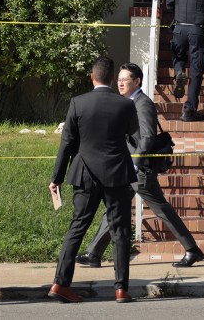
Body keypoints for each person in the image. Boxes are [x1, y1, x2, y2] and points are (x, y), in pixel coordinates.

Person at [76, 63, 204, 269]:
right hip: (127, 168)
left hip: (139, 170)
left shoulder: (142, 103)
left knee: (161, 209)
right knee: (115, 208)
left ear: (136, 82)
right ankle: (94, 253)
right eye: (118, 79)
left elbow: (146, 137)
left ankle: (192, 250)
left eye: (124, 79)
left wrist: (135, 164)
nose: (120, 82)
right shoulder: (128, 102)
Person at [49, 57, 139, 304]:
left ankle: (60, 283)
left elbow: (66, 143)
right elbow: (134, 135)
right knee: (120, 230)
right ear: (112, 79)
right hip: (117, 174)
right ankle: (121, 289)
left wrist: (56, 177)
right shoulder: (126, 105)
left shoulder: (78, 103)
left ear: (92, 76)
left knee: (77, 227)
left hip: (85, 172)